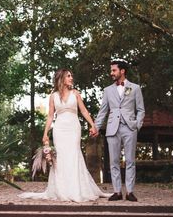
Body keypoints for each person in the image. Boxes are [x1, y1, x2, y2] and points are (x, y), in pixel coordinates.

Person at [19, 69, 110, 202]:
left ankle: (76, 189)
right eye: (68, 76)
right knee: (60, 157)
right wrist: (45, 133)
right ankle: (62, 189)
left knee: (73, 154)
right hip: (60, 128)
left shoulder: (76, 93)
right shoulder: (53, 96)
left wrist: (93, 125)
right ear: (61, 79)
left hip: (73, 127)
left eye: (71, 76)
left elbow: (83, 110)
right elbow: (50, 116)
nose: (71, 78)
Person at [93, 59, 145, 202]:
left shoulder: (135, 88)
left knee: (130, 161)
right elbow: (102, 112)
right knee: (113, 161)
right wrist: (96, 127)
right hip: (112, 127)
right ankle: (117, 191)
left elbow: (140, 109)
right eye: (111, 70)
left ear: (122, 71)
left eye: (114, 70)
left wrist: (137, 125)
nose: (111, 73)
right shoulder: (107, 90)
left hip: (129, 127)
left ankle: (130, 191)